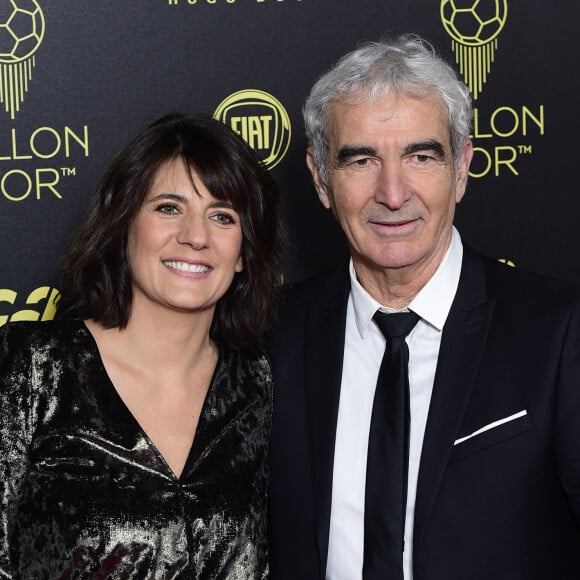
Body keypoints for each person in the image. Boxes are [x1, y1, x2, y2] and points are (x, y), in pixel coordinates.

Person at [267, 34, 580, 580]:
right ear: (320, 180)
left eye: (420, 155)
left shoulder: (559, 332)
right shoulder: (274, 331)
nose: (392, 192)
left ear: (461, 168)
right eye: (361, 159)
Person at [0, 113, 284, 578]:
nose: (195, 236)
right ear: (123, 227)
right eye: (169, 208)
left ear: (242, 254)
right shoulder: (33, 366)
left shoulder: (259, 385)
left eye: (222, 216)